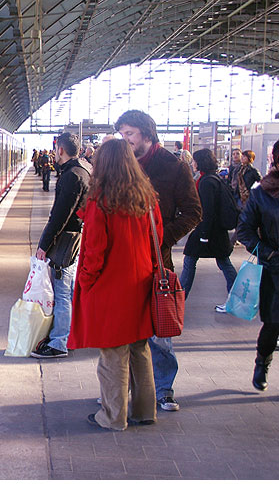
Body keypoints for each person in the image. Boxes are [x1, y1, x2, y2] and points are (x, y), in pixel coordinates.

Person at [68, 138, 160, 430]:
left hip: (111, 286)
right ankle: (145, 411)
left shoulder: (101, 202)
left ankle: (112, 417)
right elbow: (156, 239)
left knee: (113, 352)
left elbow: (95, 250)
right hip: (142, 282)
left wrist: (85, 281)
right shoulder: (146, 197)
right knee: (139, 349)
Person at [115, 110, 202, 412]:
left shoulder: (174, 167)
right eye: (122, 134)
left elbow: (193, 212)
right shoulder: (121, 165)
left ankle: (164, 389)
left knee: (158, 331)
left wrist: (161, 239)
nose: (125, 140)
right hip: (124, 261)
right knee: (125, 330)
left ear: (145, 134)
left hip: (156, 261)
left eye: (129, 134)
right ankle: (121, 389)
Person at [31, 132, 92, 358]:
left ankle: (59, 342)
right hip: (77, 236)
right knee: (69, 289)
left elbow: (60, 216)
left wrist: (44, 245)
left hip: (67, 238)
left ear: (60, 150)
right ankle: (68, 335)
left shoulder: (72, 176)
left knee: (63, 291)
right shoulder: (84, 170)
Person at [237, 140, 279, 391]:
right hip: (275, 269)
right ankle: (263, 361)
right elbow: (245, 229)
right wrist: (268, 253)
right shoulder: (262, 192)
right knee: (273, 324)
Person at [178, 148, 237, 312]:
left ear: (200, 162)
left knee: (189, 262)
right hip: (217, 232)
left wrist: (203, 234)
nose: (193, 163)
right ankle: (235, 299)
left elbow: (208, 210)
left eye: (195, 160)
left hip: (207, 232)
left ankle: (179, 302)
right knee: (224, 262)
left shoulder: (206, 182)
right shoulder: (214, 179)